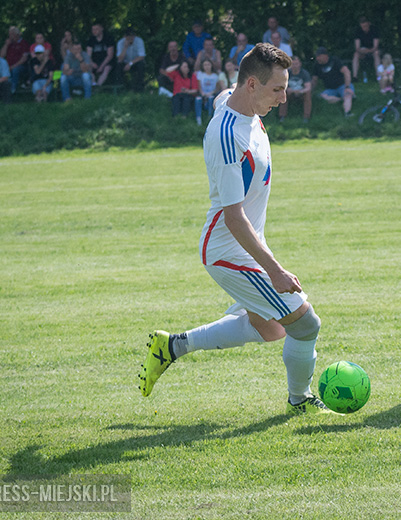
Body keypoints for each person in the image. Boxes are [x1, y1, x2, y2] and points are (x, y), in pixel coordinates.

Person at [138, 42, 333, 416]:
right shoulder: (229, 138)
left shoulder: (233, 97)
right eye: (277, 89)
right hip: (229, 250)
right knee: (305, 325)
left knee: (272, 329)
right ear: (252, 86)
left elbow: (220, 97)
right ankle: (301, 402)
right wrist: (274, 270)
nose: (284, 97)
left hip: (241, 245)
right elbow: (233, 217)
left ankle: (172, 347)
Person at [312, 47, 354, 117]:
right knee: (322, 96)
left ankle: (347, 113)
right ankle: (341, 100)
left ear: (325, 55)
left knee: (347, 94)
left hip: (342, 85)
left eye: (319, 56)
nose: (317, 58)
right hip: (330, 89)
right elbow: (314, 80)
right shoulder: (317, 65)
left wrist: (347, 87)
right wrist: (311, 91)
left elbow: (346, 72)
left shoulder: (334, 60)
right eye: (316, 56)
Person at [279, 55, 312, 122]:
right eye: (293, 64)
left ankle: (306, 117)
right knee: (282, 94)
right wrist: (287, 89)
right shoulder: (286, 73)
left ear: (300, 64)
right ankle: (282, 116)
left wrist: (301, 91)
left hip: (301, 93)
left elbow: (308, 87)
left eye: (296, 64)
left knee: (308, 94)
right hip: (290, 93)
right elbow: (281, 85)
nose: (295, 66)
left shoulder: (304, 73)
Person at [0, 26, 31, 93]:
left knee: (15, 70)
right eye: (10, 34)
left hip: (20, 66)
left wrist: (12, 67)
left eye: (12, 34)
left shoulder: (24, 43)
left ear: (17, 34)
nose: (10, 36)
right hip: (8, 65)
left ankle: (12, 90)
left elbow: (24, 58)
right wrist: (6, 45)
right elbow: (2, 55)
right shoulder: (9, 44)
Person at [115, 27, 145, 92]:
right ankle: (120, 88)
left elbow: (142, 56)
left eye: (132, 36)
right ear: (125, 36)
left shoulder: (139, 41)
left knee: (141, 65)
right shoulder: (120, 43)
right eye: (128, 36)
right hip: (125, 63)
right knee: (118, 66)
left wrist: (130, 64)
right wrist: (125, 47)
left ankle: (140, 88)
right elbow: (120, 59)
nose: (131, 38)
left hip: (135, 62)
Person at [195, 59, 224, 124]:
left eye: (208, 65)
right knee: (198, 99)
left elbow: (217, 88)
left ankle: (209, 117)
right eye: (205, 65)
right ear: (202, 66)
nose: (207, 66)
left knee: (211, 98)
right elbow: (199, 85)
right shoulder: (200, 74)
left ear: (211, 65)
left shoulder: (215, 76)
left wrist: (211, 93)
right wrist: (202, 93)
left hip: (212, 94)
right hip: (202, 93)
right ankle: (198, 118)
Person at [352, 16, 380, 82]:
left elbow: (376, 46)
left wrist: (369, 50)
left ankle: (378, 76)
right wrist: (362, 51)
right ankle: (355, 77)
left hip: (373, 50)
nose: (364, 28)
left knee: (376, 54)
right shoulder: (358, 31)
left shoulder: (374, 30)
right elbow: (357, 47)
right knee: (356, 54)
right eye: (362, 26)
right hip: (362, 50)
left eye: (365, 26)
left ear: (369, 24)